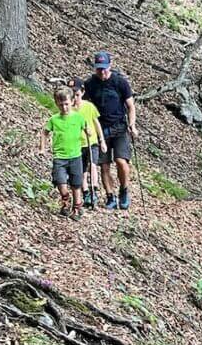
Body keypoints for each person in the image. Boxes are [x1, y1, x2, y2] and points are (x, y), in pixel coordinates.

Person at [83, 49, 138, 210]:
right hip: (101, 130)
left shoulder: (120, 82)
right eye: (99, 68)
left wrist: (132, 125)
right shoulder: (90, 84)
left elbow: (130, 106)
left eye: (104, 68)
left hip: (119, 127)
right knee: (104, 165)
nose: (102, 71)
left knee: (121, 161)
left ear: (110, 65)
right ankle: (110, 196)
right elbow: (85, 106)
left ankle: (124, 190)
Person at [41, 87, 86, 220]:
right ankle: (65, 198)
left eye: (66, 104)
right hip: (59, 157)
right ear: (56, 104)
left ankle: (77, 207)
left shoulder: (78, 118)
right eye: (61, 105)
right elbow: (44, 132)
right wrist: (42, 148)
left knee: (76, 183)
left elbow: (86, 128)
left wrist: (91, 135)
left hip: (75, 156)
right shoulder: (54, 119)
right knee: (60, 181)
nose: (64, 107)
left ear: (72, 102)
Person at [71, 76, 106, 209]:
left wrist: (102, 140)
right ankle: (85, 192)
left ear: (82, 92)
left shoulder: (89, 106)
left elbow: (97, 124)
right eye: (72, 95)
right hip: (77, 144)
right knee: (82, 170)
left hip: (91, 142)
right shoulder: (69, 109)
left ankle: (94, 189)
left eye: (77, 94)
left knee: (93, 164)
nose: (75, 98)